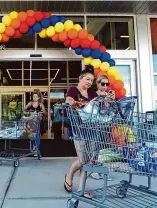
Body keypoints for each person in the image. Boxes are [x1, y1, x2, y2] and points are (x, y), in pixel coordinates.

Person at [64, 65, 98, 198]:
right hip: (79, 128)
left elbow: (98, 105)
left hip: (92, 128)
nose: (89, 82)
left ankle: (81, 189)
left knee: (88, 160)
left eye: (91, 80)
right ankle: (69, 175)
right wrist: (76, 102)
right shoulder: (73, 90)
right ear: (80, 78)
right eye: (87, 79)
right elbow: (69, 100)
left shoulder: (92, 94)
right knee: (83, 159)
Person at [90, 75, 114, 181]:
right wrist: (101, 101)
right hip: (96, 124)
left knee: (105, 148)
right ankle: (93, 169)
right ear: (97, 83)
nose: (105, 86)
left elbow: (113, 109)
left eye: (107, 84)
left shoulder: (109, 95)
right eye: (102, 83)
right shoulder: (93, 95)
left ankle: (103, 170)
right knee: (95, 147)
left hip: (106, 124)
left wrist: (112, 100)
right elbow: (91, 107)